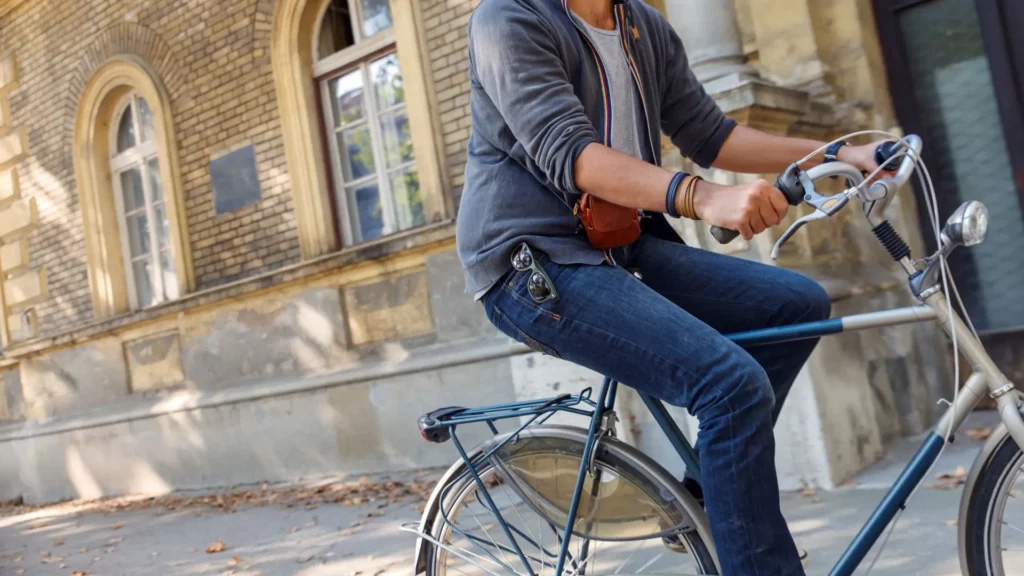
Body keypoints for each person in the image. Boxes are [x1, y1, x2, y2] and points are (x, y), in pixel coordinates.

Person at [455, 0, 886, 573]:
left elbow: (710, 134)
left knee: (793, 304)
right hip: (531, 262)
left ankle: (710, 493)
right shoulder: (509, 20)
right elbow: (572, 154)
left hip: (620, 243)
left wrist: (839, 155)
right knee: (730, 384)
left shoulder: (642, 25)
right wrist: (705, 196)